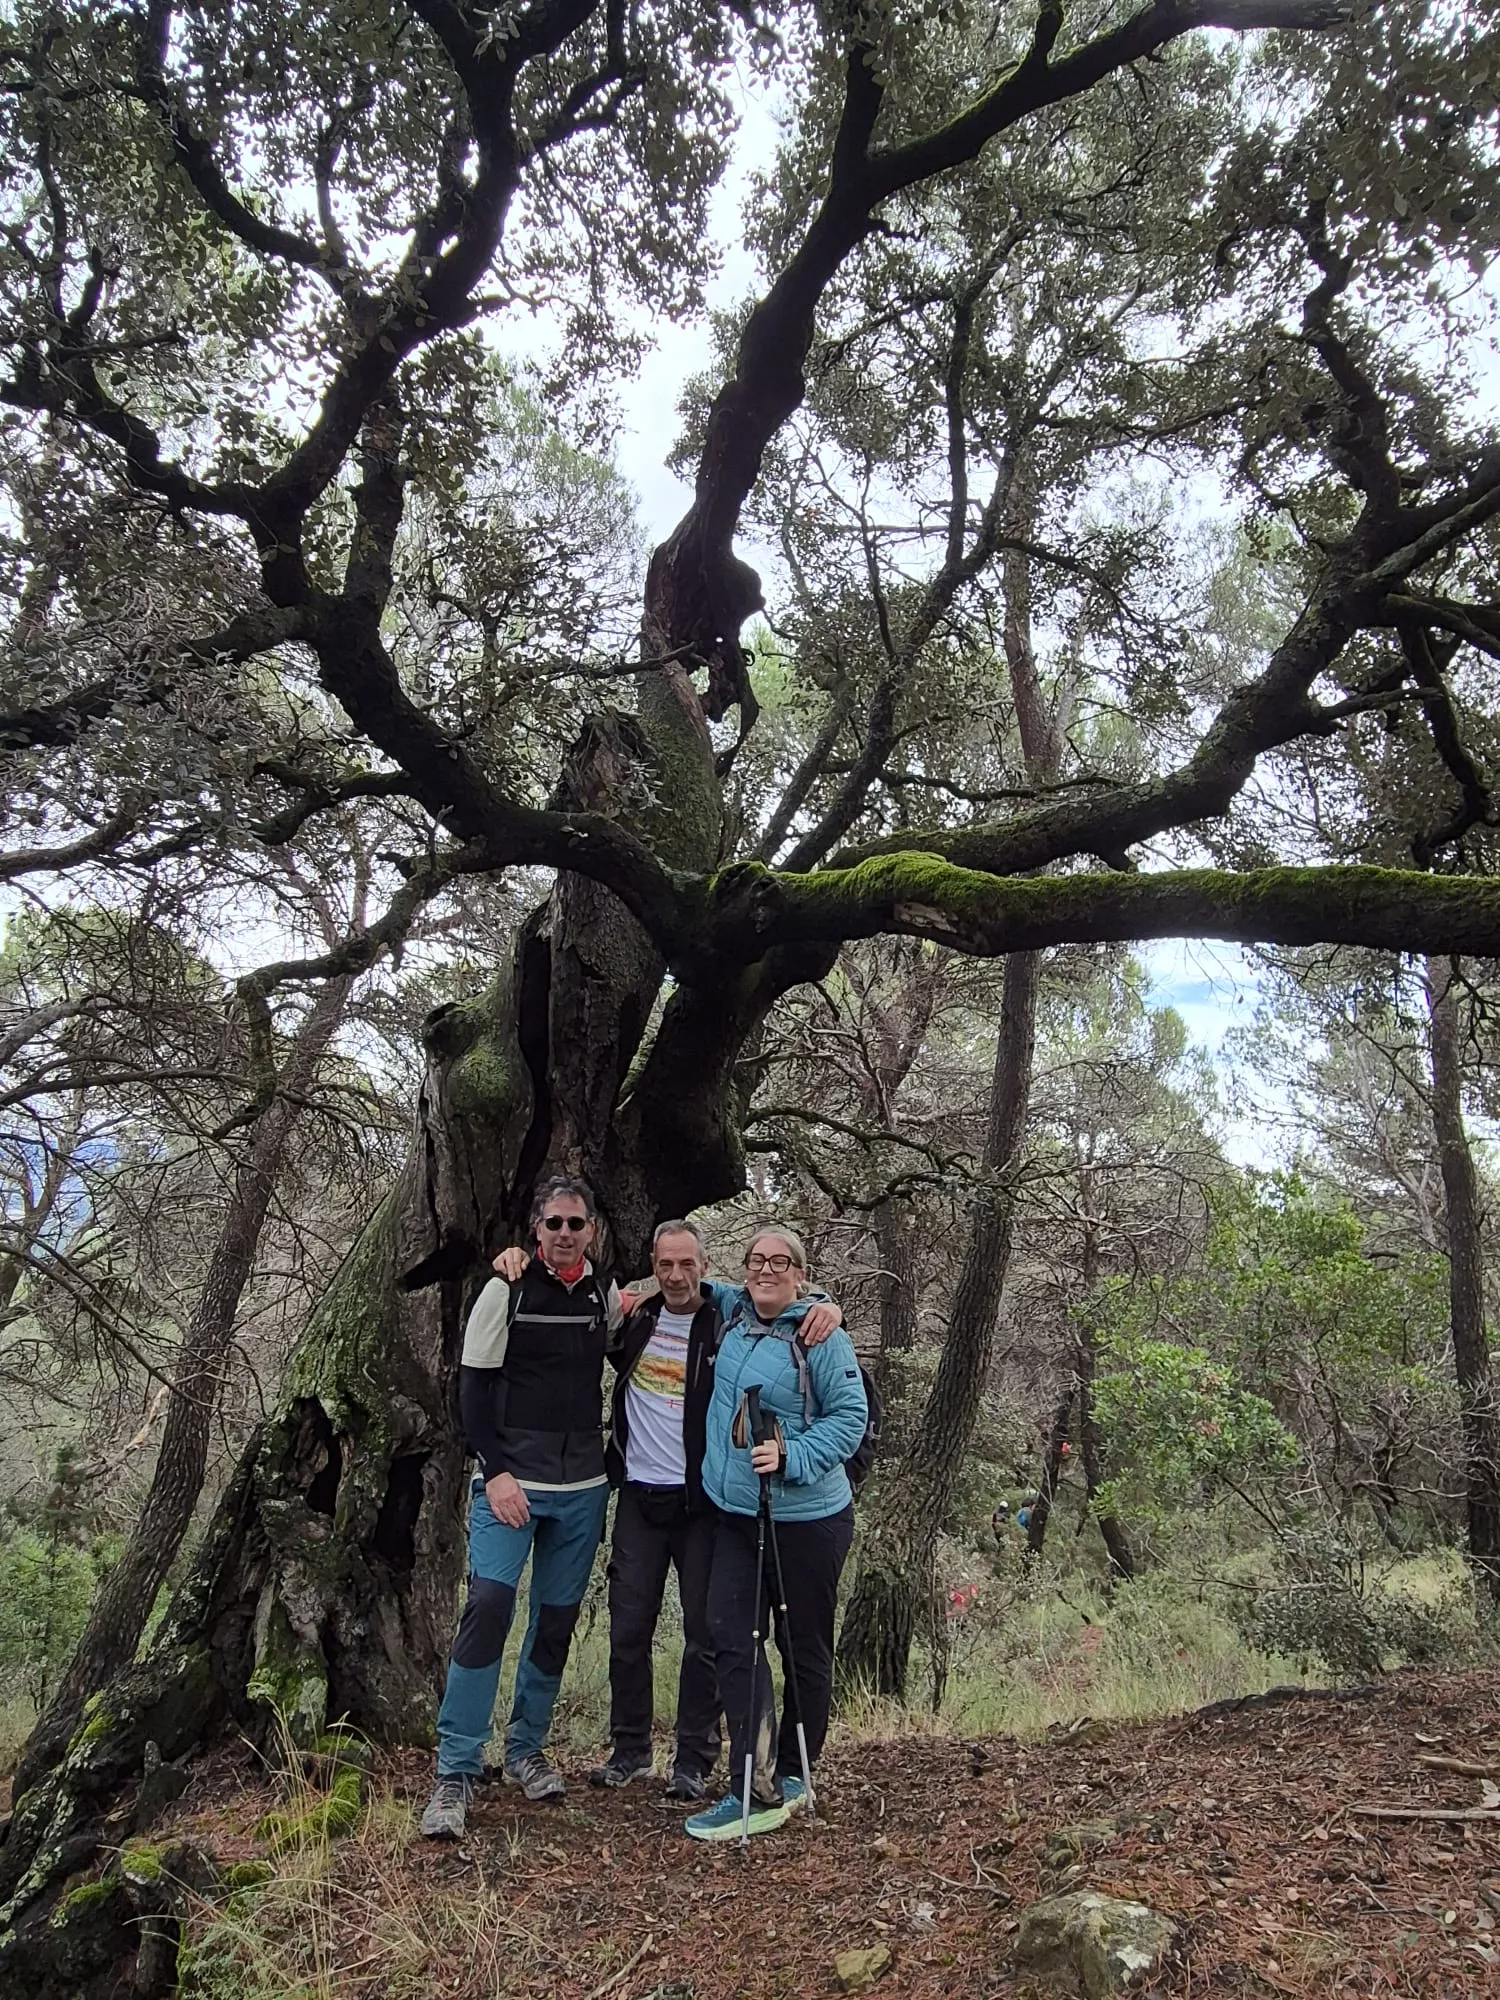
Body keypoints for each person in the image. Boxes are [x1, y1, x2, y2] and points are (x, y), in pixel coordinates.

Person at [492, 1219, 841, 1803]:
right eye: (664, 1265)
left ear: (706, 1265)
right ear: (652, 1267)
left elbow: (782, 1296)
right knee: (629, 1630)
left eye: (687, 1264)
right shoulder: (634, 1318)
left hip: (701, 1502)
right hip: (638, 1494)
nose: (676, 1276)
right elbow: (568, 1306)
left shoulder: (725, 1319)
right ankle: (629, 1750)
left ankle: (693, 1758)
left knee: (707, 1635)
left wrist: (826, 1304)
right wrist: (516, 1260)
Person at [420, 1175, 622, 1840]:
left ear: (592, 1230)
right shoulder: (503, 1291)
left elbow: (680, 1304)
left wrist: (816, 1302)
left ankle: (526, 1750)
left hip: (582, 1490)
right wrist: (497, 1471)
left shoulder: (603, 1295)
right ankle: (455, 1768)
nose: (564, 1233)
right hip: (510, 1487)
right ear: (536, 1231)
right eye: (554, 1223)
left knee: (556, 1622)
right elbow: (472, 1393)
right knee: (488, 1609)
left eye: (576, 1223)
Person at [685, 1226, 867, 1842]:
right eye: (757, 1260)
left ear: (799, 1271)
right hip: (737, 1515)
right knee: (731, 1636)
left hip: (807, 1521)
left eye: (779, 1261)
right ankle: (753, 1779)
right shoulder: (735, 1311)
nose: (766, 1270)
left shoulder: (822, 1336)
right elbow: (689, 1281)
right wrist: (647, 1292)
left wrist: (791, 1455)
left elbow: (851, 1421)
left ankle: (795, 1772)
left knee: (803, 1646)